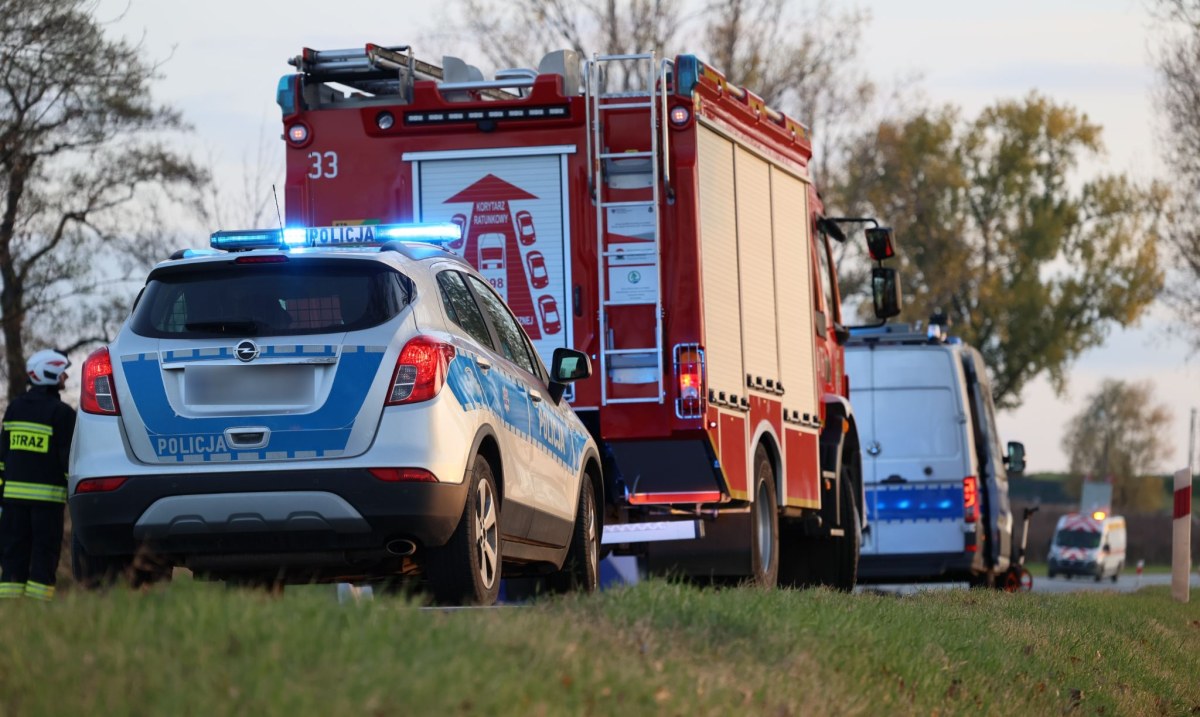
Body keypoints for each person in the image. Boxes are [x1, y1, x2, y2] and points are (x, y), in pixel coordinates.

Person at [0, 350, 75, 600]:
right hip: (47, 503)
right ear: (50, 373)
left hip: (12, 502)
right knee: (44, 555)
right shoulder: (62, 414)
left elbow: (3, 457)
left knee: (12, 555)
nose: (65, 376)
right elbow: (69, 462)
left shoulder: (14, 408)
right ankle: (38, 607)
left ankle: (9, 608)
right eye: (62, 371)